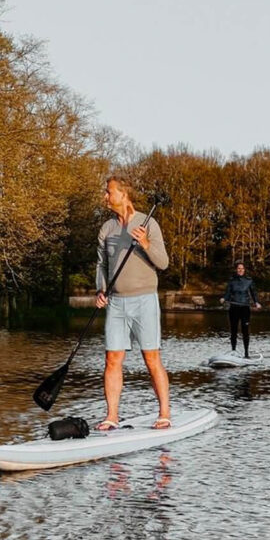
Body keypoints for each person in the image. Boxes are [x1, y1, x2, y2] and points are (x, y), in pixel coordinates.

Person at [95, 174, 171, 431]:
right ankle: (112, 416)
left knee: (151, 358)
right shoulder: (106, 229)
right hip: (116, 303)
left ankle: (164, 413)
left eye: (109, 192)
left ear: (123, 194)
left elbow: (163, 263)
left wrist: (146, 244)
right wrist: (101, 290)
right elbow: (102, 265)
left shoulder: (148, 224)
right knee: (112, 360)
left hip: (145, 301)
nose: (105, 196)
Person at [220, 261, 261, 358]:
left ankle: (246, 353)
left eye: (242, 268)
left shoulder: (249, 280)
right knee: (233, 330)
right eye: (239, 268)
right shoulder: (232, 280)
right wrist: (224, 298)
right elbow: (228, 292)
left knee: (245, 330)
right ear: (236, 269)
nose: (240, 270)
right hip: (234, 307)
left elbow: (253, 293)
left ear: (244, 270)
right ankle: (233, 350)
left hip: (245, 308)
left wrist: (256, 302)